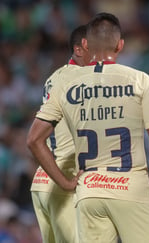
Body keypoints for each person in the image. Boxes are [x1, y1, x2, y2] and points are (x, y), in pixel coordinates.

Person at [27, 13, 149, 243]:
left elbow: (33, 139)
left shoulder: (63, 83)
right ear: (121, 45)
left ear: (87, 44)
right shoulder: (138, 80)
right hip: (127, 184)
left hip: (83, 187)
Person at [30, 25, 89, 243]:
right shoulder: (82, 80)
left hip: (42, 181)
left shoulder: (55, 76)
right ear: (81, 48)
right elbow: (132, 96)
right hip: (63, 180)